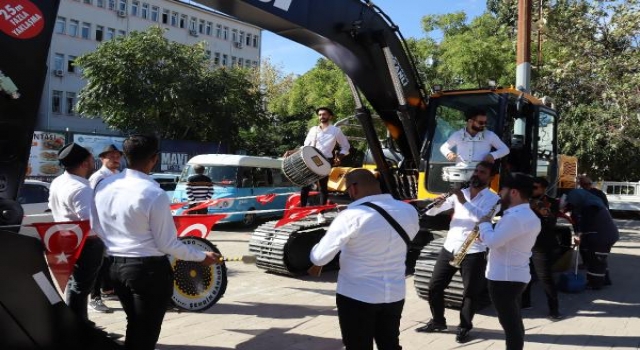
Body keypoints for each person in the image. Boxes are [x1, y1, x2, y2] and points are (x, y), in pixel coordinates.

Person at [91, 134, 221, 350]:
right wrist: (201, 256)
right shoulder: (153, 193)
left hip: (114, 267)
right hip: (147, 272)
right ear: (155, 159)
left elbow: (96, 227)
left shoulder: (104, 185)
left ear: (125, 157)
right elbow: (167, 244)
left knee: (135, 325)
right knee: (146, 333)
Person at [309, 169, 419, 350]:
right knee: (390, 344)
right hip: (394, 293)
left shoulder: (351, 216)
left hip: (357, 296)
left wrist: (316, 247)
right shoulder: (409, 210)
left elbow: (320, 258)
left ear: (353, 189)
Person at [416, 161, 500, 344]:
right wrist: (436, 204)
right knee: (434, 287)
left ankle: (464, 326)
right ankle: (438, 321)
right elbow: (432, 214)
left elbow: (482, 218)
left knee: (470, 292)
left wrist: (462, 200)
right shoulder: (463, 192)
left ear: (491, 177)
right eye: (476, 171)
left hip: (473, 250)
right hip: (451, 247)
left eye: (482, 172)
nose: (477, 174)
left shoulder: (494, 199)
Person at [478, 173, 541, 350]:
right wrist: (487, 236)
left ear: (513, 192)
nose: (499, 193)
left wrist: (484, 224)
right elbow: (503, 241)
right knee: (514, 320)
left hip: (503, 279)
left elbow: (493, 241)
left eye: (502, 189)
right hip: (514, 275)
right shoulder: (527, 215)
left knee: (510, 325)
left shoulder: (514, 217)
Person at [48, 143, 103, 326]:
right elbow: (89, 223)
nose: (93, 160)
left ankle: (78, 321)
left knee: (75, 285)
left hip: (66, 238)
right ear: (85, 162)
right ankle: (76, 326)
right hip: (86, 242)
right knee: (81, 287)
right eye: (91, 157)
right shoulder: (80, 188)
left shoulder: (59, 181)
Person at [284, 107, 350, 222]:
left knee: (323, 188)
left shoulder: (335, 131)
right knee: (305, 186)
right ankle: (302, 212)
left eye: (324, 114)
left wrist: (339, 157)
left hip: (325, 160)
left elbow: (346, 146)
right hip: (311, 158)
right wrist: (292, 152)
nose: (321, 117)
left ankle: (321, 214)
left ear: (330, 116)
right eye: (319, 115)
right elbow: (305, 146)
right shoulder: (313, 130)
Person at [87, 144, 124, 313]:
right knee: (99, 264)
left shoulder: (118, 175)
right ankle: (94, 298)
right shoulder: (98, 177)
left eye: (118, 156)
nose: (116, 159)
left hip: (114, 226)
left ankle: (107, 290)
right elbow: (91, 203)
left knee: (109, 262)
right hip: (100, 227)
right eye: (112, 156)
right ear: (102, 158)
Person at [521, 177, 562, 320]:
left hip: (541, 244)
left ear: (544, 188)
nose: (532, 190)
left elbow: (551, 223)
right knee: (525, 274)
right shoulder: (525, 200)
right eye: (531, 187)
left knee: (545, 277)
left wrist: (545, 212)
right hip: (525, 242)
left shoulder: (552, 202)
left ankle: (554, 309)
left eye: (536, 187)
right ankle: (524, 303)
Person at [561, 188, 619, 289]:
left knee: (595, 261)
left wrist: (579, 235)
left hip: (602, 237)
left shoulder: (591, 207)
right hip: (605, 235)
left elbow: (586, 224)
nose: (571, 207)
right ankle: (605, 280)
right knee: (599, 259)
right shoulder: (591, 203)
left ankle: (595, 284)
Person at [439, 109, 509, 165]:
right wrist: (449, 153)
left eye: (485, 123)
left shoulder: (490, 135)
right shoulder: (457, 135)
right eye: (481, 123)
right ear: (470, 121)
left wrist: (493, 155)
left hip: (481, 175)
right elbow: (443, 147)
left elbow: (505, 149)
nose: (484, 125)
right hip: (461, 173)